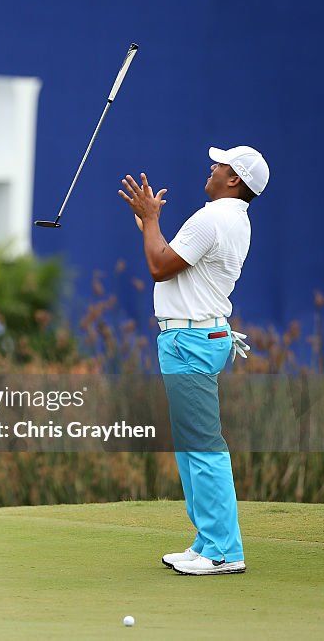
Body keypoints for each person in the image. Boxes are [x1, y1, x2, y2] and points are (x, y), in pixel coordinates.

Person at [118, 145, 269, 575]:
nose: (212, 167)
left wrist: (151, 222)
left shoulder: (213, 217)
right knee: (192, 445)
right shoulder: (232, 219)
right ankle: (207, 541)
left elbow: (160, 267)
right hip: (199, 335)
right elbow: (174, 262)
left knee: (203, 446)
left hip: (191, 339)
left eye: (220, 164)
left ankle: (223, 550)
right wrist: (148, 226)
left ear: (234, 179)